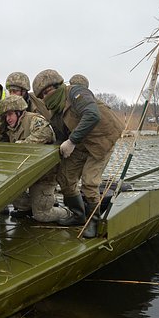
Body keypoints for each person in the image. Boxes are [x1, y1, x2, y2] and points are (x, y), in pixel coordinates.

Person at [32, 69, 124, 238]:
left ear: (58, 85)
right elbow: (61, 134)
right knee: (65, 177)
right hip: (81, 142)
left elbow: (92, 114)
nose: (46, 96)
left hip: (101, 141)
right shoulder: (55, 110)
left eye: (48, 91)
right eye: (42, 95)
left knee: (89, 182)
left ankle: (94, 221)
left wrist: (72, 141)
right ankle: (78, 214)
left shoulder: (76, 92)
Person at [0, 95, 71, 222]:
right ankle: (28, 207)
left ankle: (68, 213)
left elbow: (45, 134)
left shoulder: (34, 120)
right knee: (8, 191)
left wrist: (21, 145)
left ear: (19, 112)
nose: (8, 118)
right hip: (26, 171)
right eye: (6, 115)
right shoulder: (10, 128)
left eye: (10, 114)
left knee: (42, 215)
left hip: (44, 174)